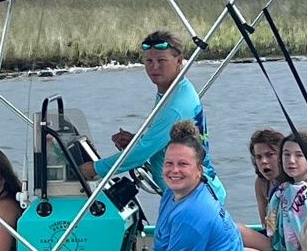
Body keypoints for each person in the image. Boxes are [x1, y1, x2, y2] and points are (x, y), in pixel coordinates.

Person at [78, 30, 225, 202]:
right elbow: (160, 140)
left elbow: (142, 152)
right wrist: (135, 140)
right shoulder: (172, 90)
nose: (154, 67)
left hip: (196, 197)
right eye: (149, 61)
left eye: (161, 61)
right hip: (183, 193)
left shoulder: (175, 106)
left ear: (179, 61)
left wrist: (93, 169)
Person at [146, 120, 251, 251]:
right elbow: (160, 249)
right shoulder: (170, 194)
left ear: (199, 170)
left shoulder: (194, 212)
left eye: (183, 164)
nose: (174, 171)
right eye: (169, 164)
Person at [241, 131, 307, 251]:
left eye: (270, 155)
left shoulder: (304, 191)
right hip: (278, 240)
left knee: (235, 230)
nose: (291, 160)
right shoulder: (276, 187)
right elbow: (268, 226)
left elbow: (300, 238)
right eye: (287, 155)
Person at [237, 127, 283, 246]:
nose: (263, 161)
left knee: (238, 230)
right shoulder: (262, 183)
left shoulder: (293, 185)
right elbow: (265, 224)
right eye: (259, 157)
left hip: (286, 242)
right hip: (271, 237)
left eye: (270, 155)